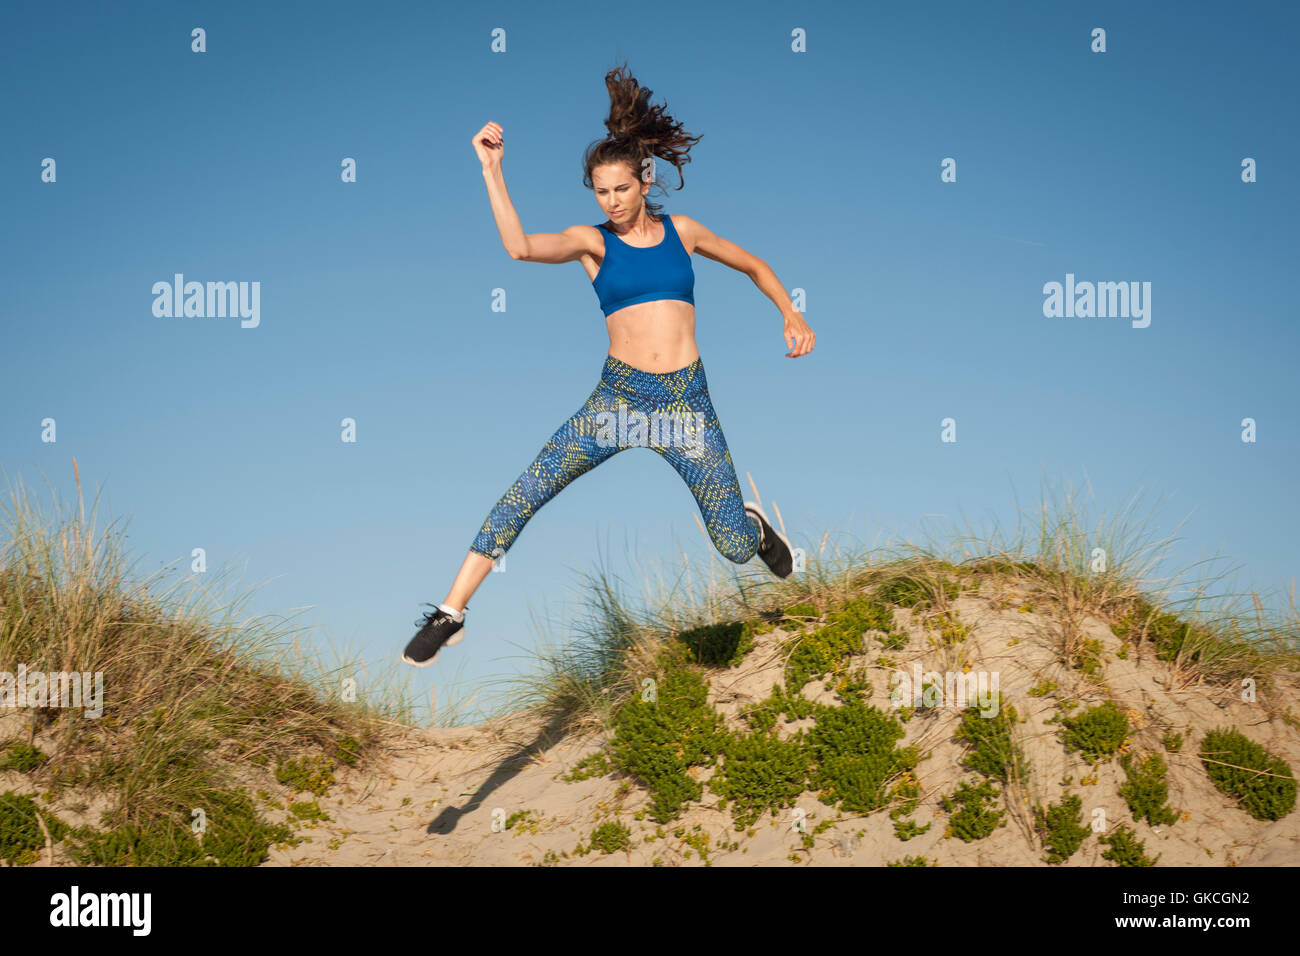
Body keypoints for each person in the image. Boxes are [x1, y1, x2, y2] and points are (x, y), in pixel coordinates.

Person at [403, 64, 815, 667]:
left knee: (731, 545)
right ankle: (451, 612)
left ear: (643, 183)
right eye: (600, 192)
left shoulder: (685, 231)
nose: (612, 202)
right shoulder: (593, 242)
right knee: (528, 490)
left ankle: (752, 528)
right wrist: (493, 170)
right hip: (619, 402)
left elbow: (753, 264)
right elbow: (520, 247)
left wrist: (791, 313)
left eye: (621, 189)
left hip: (685, 406)